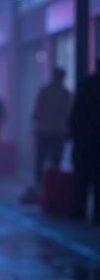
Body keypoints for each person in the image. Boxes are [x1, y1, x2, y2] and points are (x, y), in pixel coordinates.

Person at [69, 60, 100, 223]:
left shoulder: (85, 84)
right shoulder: (86, 84)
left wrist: (72, 132)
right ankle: (97, 212)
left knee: (82, 176)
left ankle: (79, 209)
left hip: (85, 137)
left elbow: (77, 110)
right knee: (98, 177)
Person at [32, 67, 71, 185]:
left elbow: (37, 112)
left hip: (51, 131)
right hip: (52, 132)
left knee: (47, 159)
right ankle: (49, 184)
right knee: (49, 159)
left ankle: (46, 184)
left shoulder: (49, 92)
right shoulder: (63, 94)